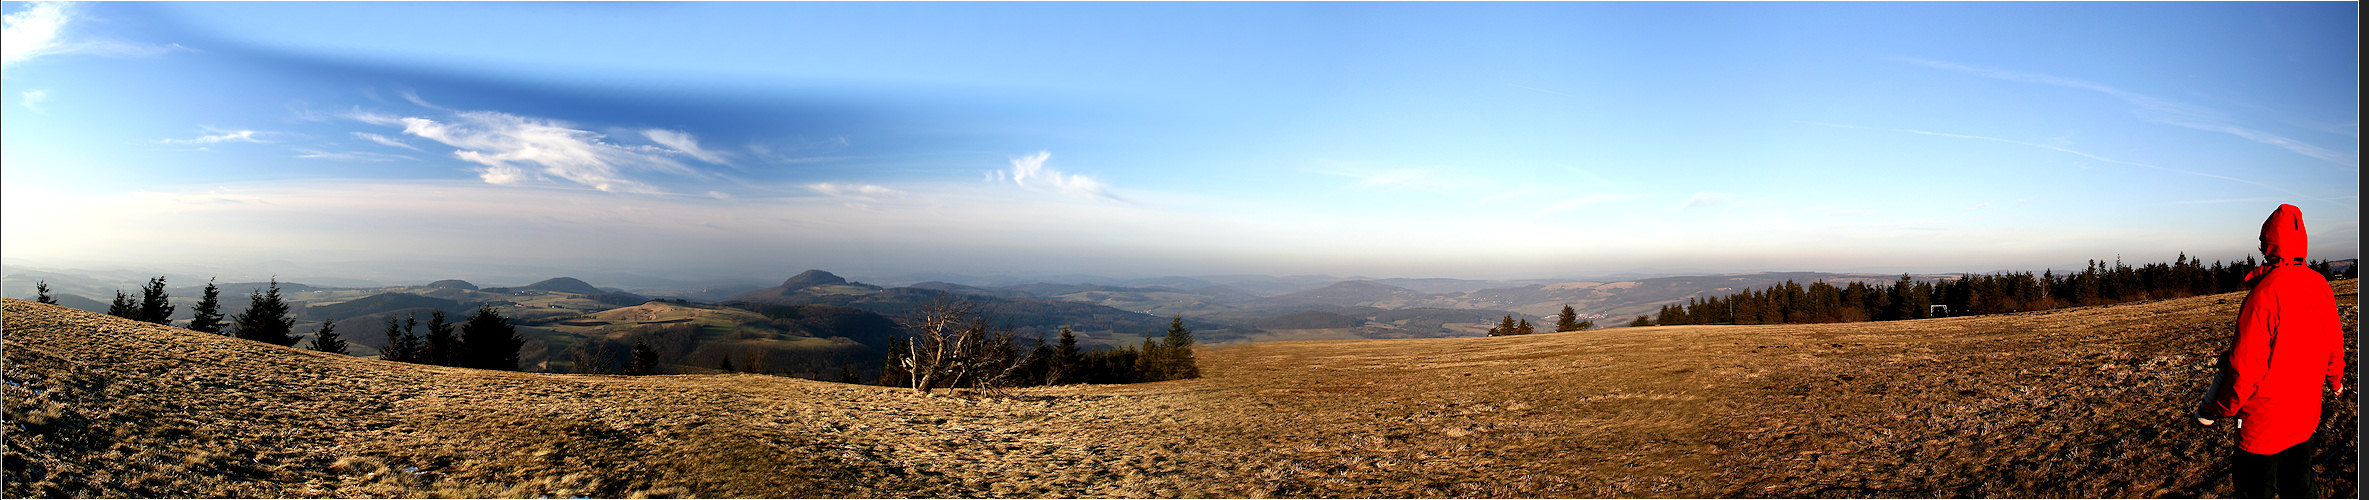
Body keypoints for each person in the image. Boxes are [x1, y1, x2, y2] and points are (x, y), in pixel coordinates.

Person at [2194, 203, 2346, 498]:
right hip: (2304, 417)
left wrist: (2216, 409)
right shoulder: (2320, 285)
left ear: (2268, 243)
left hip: (2262, 427)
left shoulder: (2264, 294)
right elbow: (2333, 344)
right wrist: (2335, 382)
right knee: (2300, 488)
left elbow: (2244, 371)